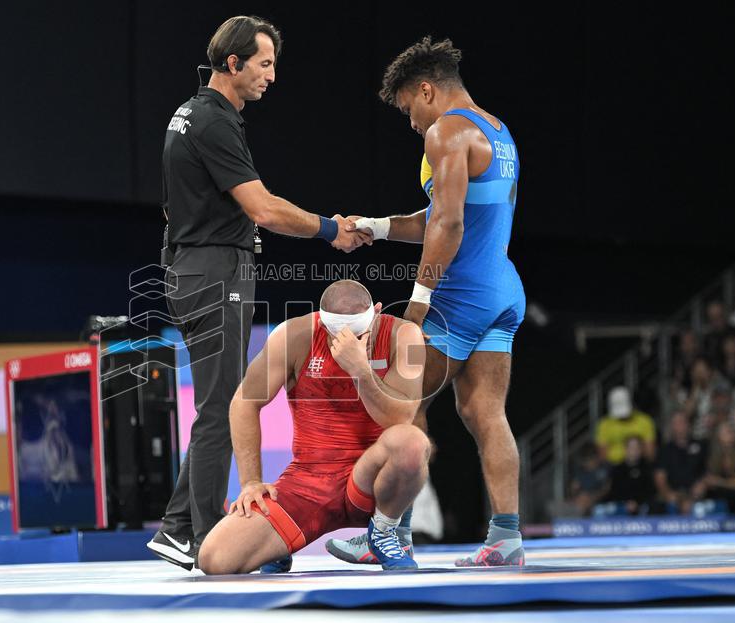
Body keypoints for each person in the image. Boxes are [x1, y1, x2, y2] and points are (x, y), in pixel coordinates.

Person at [148, 16, 367, 570]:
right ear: (233, 64)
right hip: (213, 274)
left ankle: (176, 526)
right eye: (265, 64)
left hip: (194, 268)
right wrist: (328, 228)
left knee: (215, 405)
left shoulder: (193, 112)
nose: (272, 76)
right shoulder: (214, 122)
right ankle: (199, 537)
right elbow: (264, 210)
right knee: (221, 406)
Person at [330, 36, 526, 567]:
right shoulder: (498, 131)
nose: (412, 124)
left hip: (457, 299)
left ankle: (389, 534)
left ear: (426, 90)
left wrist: (419, 302)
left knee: (400, 405)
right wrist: (373, 226)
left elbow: (449, 222)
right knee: (486, 412)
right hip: (502, 290)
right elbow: (435, 218)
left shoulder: (445, 131)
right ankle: (506, 540)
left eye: (408, 110)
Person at [196, 280, 430, 573]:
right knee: (214, 559)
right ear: (322, 321)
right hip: (310, 482)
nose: (347, 340)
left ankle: (381, 532)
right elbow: (244, 402)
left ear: (378, 312)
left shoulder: (403, 334)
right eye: (337, 334)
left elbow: (400, 419)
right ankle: (277, 546)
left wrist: (360, 370)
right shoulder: (295, 334)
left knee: (411, 442)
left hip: (372, 480)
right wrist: (251, 482)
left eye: (358, 333)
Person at [692, 421, 735, 513]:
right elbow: (710, 478)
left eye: (732, 430)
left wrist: (718, 481)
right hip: (722, 491)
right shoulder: (714, 455)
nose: (731, 433)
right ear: (718, 437)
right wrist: (703, 484)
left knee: (733, 496)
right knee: (700, 491)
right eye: (726, 432)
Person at [654, 412, 707, 514]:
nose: (680, 427)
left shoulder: (701, 446)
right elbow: (659, 478)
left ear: (688, 425)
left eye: (682, 422)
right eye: (676, 423)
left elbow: (708, 472)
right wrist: (669, 495)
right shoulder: (665, 450)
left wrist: (701, 487)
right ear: (672, 427)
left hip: (697, 494)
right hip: (674, 494)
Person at [595, 386, 658, 464]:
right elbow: (602, 455)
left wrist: (633, 457)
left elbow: (650, 452)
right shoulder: (604, 424)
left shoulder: (645, 421)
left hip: (639, 464)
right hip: (613, 466)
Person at [604, 436, 656, 515]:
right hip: (621, 505)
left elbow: (650, 491)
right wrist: (625, 503)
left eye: (637, 447)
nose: (634, 450)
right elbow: (614, 491)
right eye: (631, 447)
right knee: (604, 509)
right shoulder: (617, 469)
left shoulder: (647, 468)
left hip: (642, 506)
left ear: (641, 450)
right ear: (625, 449)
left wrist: (637, 503)